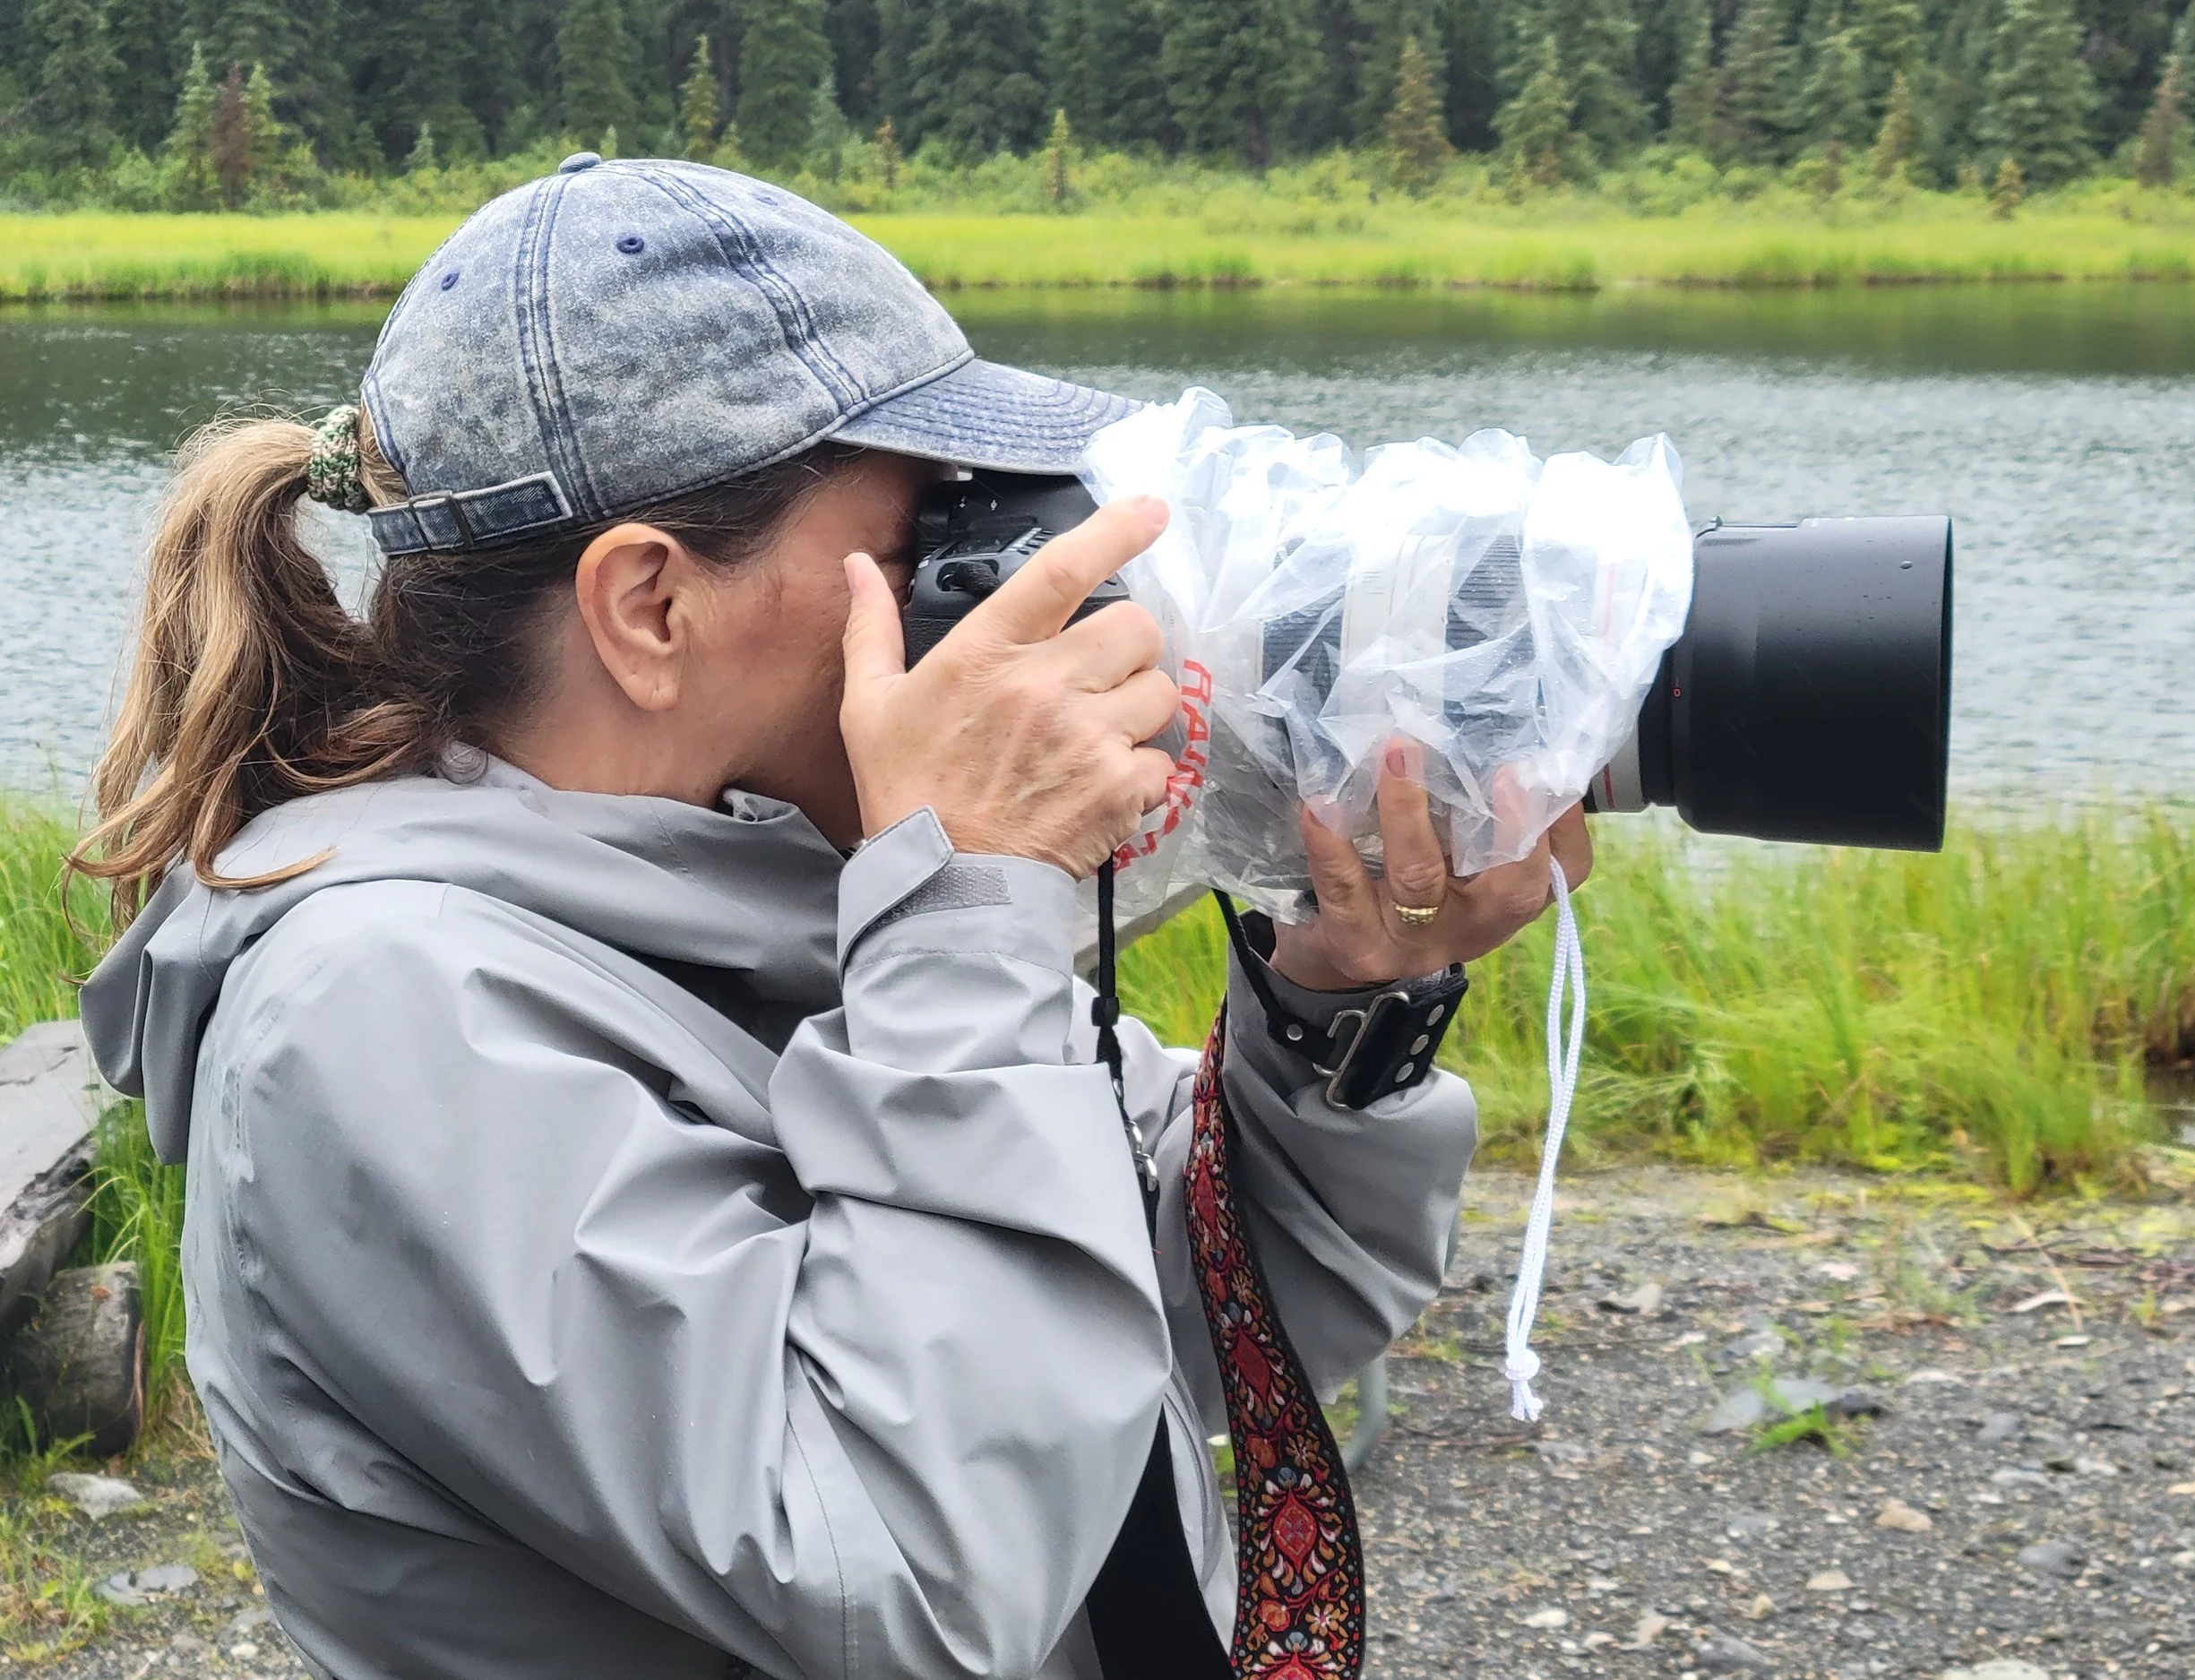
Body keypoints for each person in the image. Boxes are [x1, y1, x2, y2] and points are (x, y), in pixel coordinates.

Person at [73, 156, 1590, 1680]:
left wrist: (1345, 1003)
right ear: (652, 608)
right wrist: (978, 899)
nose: (984, 584)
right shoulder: (374, 1018)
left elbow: (1167, 1334)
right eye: (931, 527)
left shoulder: (766, 876)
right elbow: (914, 1571)